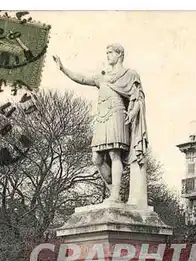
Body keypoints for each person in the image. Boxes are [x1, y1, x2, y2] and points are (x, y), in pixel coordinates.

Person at [53, 43, 148, 206]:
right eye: (107, 53)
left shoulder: (130, 74)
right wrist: (63, 68)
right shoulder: (102, 76)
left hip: (118, 114)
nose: (108, 56)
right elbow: (82, 79)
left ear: (120, 54)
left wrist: (132, 113)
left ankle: (116, 195)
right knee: (96, 157)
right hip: (102, 116)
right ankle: (114, 191)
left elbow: (138, 97)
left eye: (110, 53)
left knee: (114, 153)